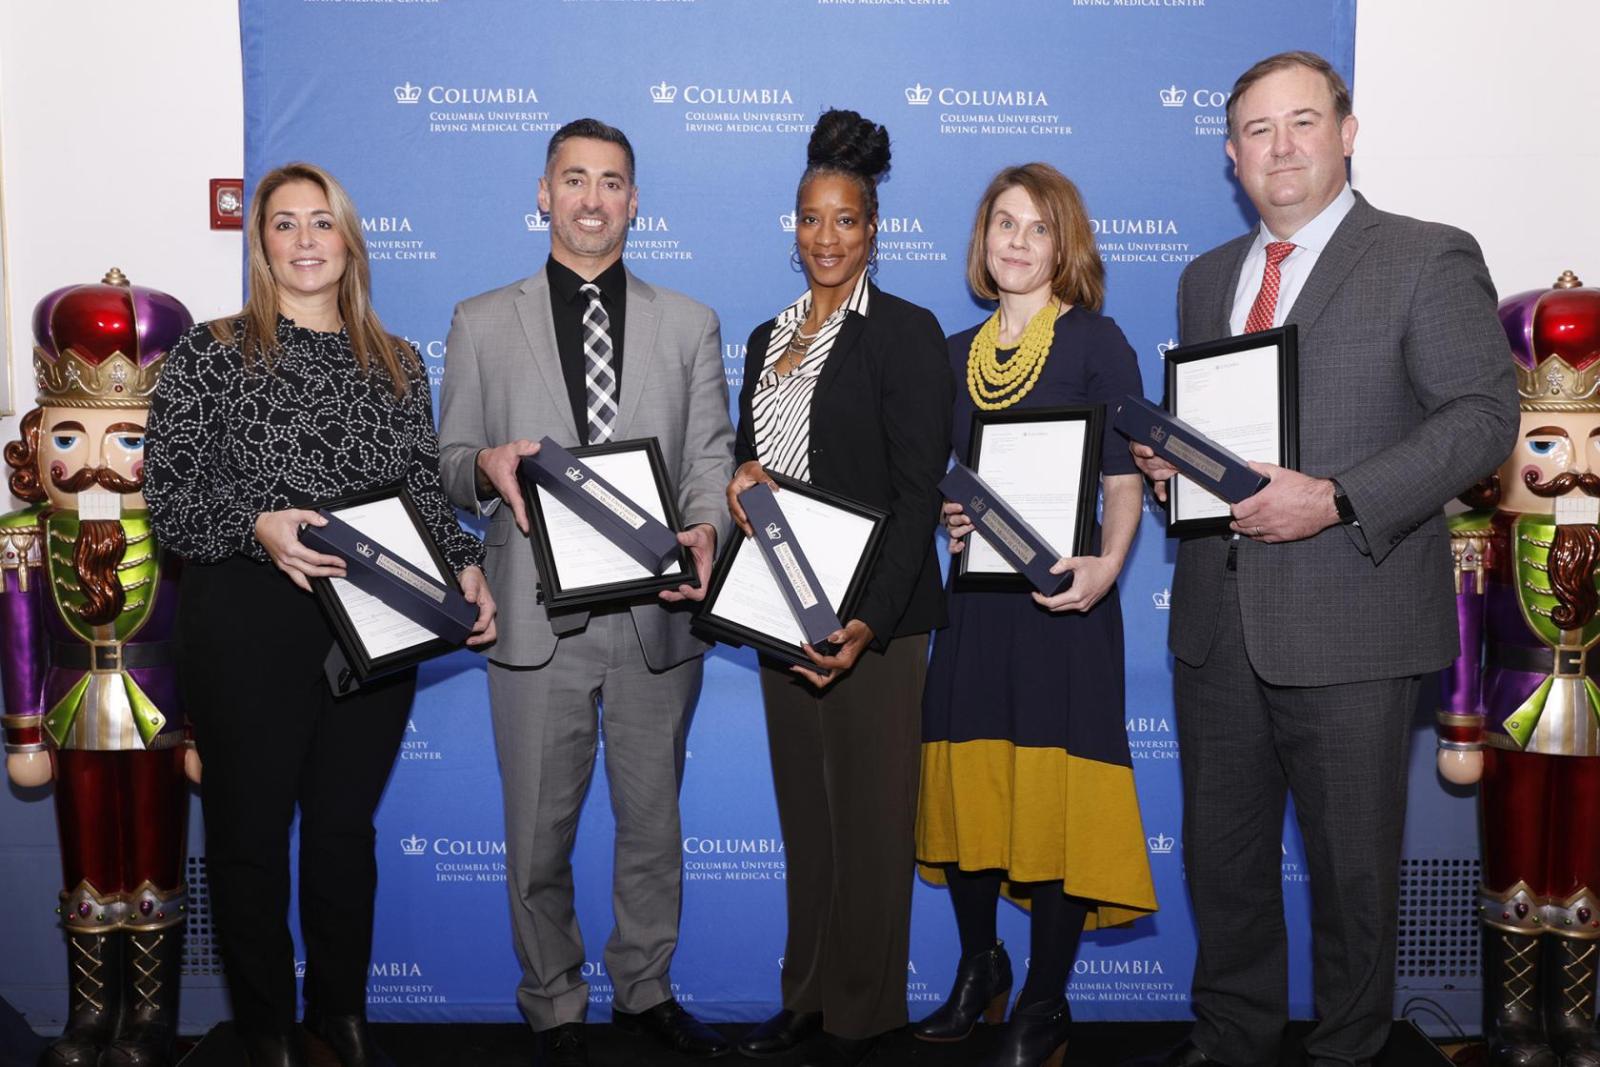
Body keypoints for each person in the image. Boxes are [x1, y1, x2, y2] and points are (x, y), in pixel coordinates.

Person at [1127, 51, 1517, 1067]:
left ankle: (1347, 1050)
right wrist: (1168, 456)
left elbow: (1480, 418)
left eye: (1302, 122)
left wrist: (1335, 496)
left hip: (1354, 616)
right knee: (1225, 864)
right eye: (1258, 130)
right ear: (1230, 153)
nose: (1281, 146)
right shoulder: (1205, 276)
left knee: (1352, 879)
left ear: (1346, 132)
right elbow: (1222, 443)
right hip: (1216, 620)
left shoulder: (1424, 255)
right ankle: (1230, 1039)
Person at [144, 162, 496, 1067]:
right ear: (261, 243)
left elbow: (424, 490)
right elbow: (170, 503)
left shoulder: (397, 360)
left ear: (348, 240)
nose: (304, 240)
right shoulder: (211, 353)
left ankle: (338, 1014)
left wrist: (466, 570)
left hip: (374, 625)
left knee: (343, 831)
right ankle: (266, 1028)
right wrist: (257, 523)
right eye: (285, 224)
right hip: (245, 624)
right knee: (249, 835)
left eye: (321, 223)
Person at [435, 118, 734, 1067]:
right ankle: (554, 1004)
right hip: (534, 619)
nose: (593, 198)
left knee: (653, 826)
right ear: (544, 192)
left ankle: (644, 991)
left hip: (656, 621)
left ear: (635, 201)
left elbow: (709, 460)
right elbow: (446, 463)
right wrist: (484, 462)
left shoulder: (690, 323)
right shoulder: (482, 320)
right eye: (575, 179)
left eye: (612, 182)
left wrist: (705, 531)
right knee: (537, 836)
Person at [915, 164, 1158, 1067]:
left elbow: (1125, 479)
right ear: (982, 240)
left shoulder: (1098, 341)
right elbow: (949, 485)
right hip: (976, 610)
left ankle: (1048, 999)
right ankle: (983, 966)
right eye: (1002, 224)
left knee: (1055, 799)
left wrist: (1110, 565)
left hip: (1066, 604)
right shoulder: (950, 353)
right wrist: (950, 518)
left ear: (1066, 245)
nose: (1016, 242)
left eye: (1036, 228)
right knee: (973, 787)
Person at [725, 108, 953, 1067]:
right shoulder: (766, 336)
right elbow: (760, 462)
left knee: (869, 827)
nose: (826, 237)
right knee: (808, 824)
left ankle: (863, 1018)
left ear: (874, 229)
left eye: (846, 220)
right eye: (810, 219)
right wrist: (739, 476)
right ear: (794, 226)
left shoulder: (905, 333)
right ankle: (807, 999)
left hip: (877, 623)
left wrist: (865, 621)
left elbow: (912, 497)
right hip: (781, 611)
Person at [2, 270, 197, 1067]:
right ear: (37, 439)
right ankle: (91, 1012)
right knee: (86, 860)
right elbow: (15, 635)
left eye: (128, 438)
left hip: (160, 708)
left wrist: (204, 727)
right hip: (65, 706)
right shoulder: (22, 538)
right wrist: (21, 730)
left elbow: (207, 640)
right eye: (70, 437)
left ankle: (149, 1016)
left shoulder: (187, 533)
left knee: (153, 854)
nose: (95, 464)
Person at [1439, 271, 1600, 1067]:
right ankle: (1512, 1018)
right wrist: (1460, 726)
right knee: (1515, 859)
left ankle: (1572, 1016)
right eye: (1546, 442)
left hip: (1598, 710)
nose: (1574, 468)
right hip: (1514, 703)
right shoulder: (1478, 534)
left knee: (1585, 863)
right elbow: (1464, 633)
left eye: (1596, 441)